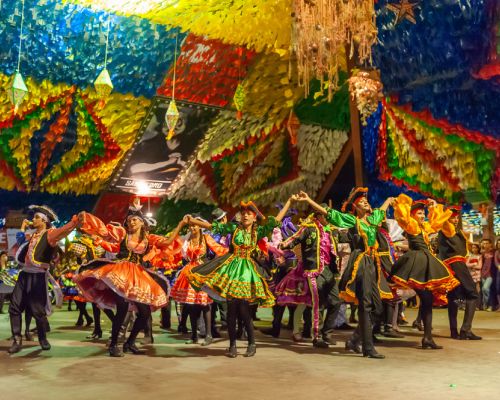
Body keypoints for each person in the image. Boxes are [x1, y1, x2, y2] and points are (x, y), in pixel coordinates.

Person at [186, 198, 294, 358]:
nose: (245, 216)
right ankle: (232, 345)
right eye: (243, 213)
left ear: (254, 217)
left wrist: (289, 201)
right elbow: (213, 226)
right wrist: (193, 221)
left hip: (247, 272)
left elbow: (276, 220)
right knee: (231, 310)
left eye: (248, 214)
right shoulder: (233, 228)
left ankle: (252, 343)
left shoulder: (258, 231)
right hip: (230, 269)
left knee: (243, 310)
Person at [294, 189, 394, 359]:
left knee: (377, 308)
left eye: (366, 201)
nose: (365, 203)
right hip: (360, 262)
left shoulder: (373, 220)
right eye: (361, 202)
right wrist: (309, 200)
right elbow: (330, 213)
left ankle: (355, 340)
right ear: (355, 207)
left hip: (373, 263)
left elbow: (381, 211)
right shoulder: (352, 220)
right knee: (365, 304)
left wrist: (389, 200)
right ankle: (367, 348)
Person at [74, 199, 181, 357]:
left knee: (144, 313)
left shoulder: (148, 238)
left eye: (135, 220)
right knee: (122, 310)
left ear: (142, 222)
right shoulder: (123, 233)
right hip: (121, 272)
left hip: (138, 275)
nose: (131, 222)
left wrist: (181, 224)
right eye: (129, 220)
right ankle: (113, 344)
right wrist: (87, 218)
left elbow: (168, 242)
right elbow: (103, 231)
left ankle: (130, 342)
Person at [8, 205, 82, 354]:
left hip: (37, 276)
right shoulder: (32, 235)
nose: (33, 220)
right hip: (24, 275)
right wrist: (22, 227)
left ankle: (42, 338)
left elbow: (63, 231)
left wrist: (75, 221)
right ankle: (17, 339)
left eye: (36, 217)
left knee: (38, 311)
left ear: (44, 221)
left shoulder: (50, 234)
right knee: (14, 307)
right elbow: (19, 240)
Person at [390, 195, 459, 350]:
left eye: (423, 213)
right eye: (419, 213)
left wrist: (434, 207)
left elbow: (436, 224)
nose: (423, 216)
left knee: (427, 301)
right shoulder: (412, 225)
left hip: (426, 261)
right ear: (413, 214)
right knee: (413, 298)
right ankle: (367, 332)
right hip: (417, 263)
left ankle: (427, 338)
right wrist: (401, 204)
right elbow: (403, 217)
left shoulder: (423, 228)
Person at [275, 206, 340, 348]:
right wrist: (282, 245)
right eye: (325, 215)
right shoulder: (308, 228)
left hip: (329, 271)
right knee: (316, 304)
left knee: (336, 302)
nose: (328, 218)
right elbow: (295, 238)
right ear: (318, 216)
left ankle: (327, 333)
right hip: (314, 271)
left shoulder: (332, 230)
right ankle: (316, 336)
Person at [168, 215, 227, 346]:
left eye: (195, 225)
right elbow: (174, 248)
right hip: (189, 273)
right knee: (191, 305)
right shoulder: (187, 240)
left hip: (203, 272)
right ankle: (194, 335)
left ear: (200, 227)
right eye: (191, 225)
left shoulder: (206, 238)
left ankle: (208, 335)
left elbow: (220, 250)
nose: (192, 227)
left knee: (205, 304)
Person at [438, 206, 481, 340]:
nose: (455, 220)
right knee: (473, 294)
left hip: (451, 264)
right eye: (453, 217)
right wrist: (438, 208)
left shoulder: (453, 230)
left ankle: (454, 331)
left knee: (454, 297)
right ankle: (465, 330)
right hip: (456, 263)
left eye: (457, 217)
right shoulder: (447, 227)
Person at [480, 238, 495, 311]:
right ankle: (486, 305)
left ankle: (490, 305)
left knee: (485, 288)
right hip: (483, 274)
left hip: (490, 274)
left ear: (490, 244)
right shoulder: (482, 253)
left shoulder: (494, 252)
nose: (485, 245)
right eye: (484, 243)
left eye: (486, 243)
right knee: (485, 290)